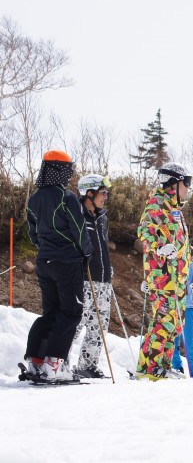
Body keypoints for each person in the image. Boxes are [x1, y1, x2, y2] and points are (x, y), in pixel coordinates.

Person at [136, 162, 193, 380]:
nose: (188, 188)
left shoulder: (175, 210)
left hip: (177, 279)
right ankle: (149, 368)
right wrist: (158, 248)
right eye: (186, 183)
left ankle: (161, 366)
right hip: (162, 277)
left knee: (173, 325)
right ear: (173, 183)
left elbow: (180, 249)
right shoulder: (157, 203)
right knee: (163, 323)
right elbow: (144, 231)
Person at [23, 150, 93, 381]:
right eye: (68, 169)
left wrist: (46, 247)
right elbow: (79, 228)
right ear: (57, 170)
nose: (69, 174)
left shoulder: (34, 198)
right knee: (71, 312)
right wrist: (86, 253)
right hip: (66, 261)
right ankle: (55, 363)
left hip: (45, 261)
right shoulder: (67, 198)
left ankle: (36, 360)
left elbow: (33, 232)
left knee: (51, 312)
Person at [73, 174, 114, 379]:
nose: (105, 196)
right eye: (102, 192)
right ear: (89, 193)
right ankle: (57, 362)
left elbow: (103, 247)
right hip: (84, 279)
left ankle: (87, 365)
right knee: (76, 322)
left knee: (98, 325)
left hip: (104, 280)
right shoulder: (78, 214)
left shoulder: (102, 217)